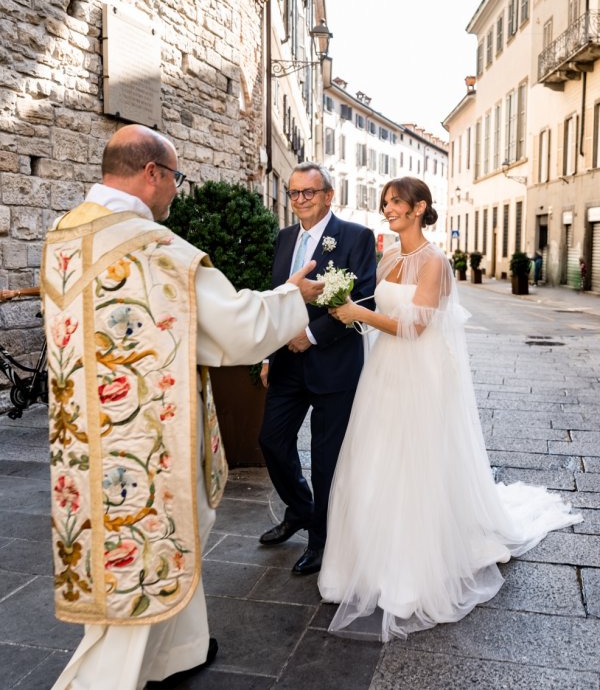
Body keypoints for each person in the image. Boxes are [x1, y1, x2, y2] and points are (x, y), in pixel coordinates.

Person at [41, 124, 324, 690]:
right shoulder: (157, 251)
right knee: (148, 555)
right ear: (152, 174)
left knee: (161, 544)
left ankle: (180, 652)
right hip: (147, 440)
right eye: (176, 178)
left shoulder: (63, 234)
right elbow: (239, 329)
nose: (176, 191)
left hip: (85, 441)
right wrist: (296, 296)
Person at [319, 176, 582, 641]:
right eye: (385, 204)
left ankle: (412, 569)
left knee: (414, 464)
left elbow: (415, 327)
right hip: (383, 371)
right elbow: (378, 305)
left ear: (419, 207)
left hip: (419, 373)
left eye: (395, 202)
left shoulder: (434, 261)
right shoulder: (391, 255)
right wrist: (340, 299)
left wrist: (358, 315)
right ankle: (365, 563)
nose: (388, 210)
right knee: (376, 459)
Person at [258, 162, 377, 576]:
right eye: (294, 193)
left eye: (309, 192)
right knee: (271, 440)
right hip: (287, 364)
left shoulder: (356, 237)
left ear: (329, 195)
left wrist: (310, 335)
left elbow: (365, 300)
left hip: (334, 365)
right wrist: (270, 355)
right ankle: (301, 509)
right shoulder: (284, 237)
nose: (300, 200)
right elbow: (278, 297)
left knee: (327, 460)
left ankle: (322, 542)